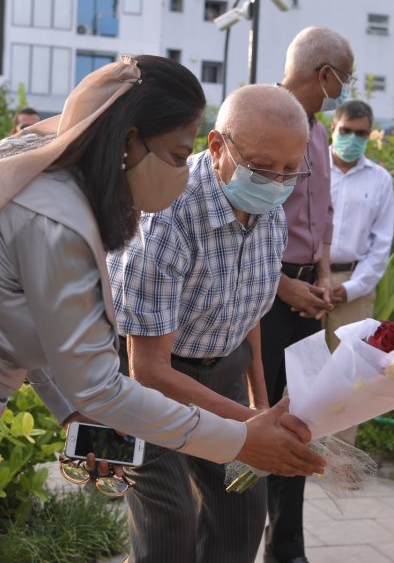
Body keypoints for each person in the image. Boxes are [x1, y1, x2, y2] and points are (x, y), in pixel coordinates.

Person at [0, 56, 326, 563]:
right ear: (129, 141)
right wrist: (240, 437)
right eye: (178, 156)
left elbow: (45, 338)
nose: (184, 175)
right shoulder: (61, 217)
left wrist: (75, 414)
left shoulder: (65, 191)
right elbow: (103, 384)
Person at [108, 84, 310, 563]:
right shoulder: (166, 218)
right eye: (263, 168)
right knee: (169, 524)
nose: (278, 183)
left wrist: (260, 405)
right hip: (150, 378)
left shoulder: (270, 210)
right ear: (217, 147)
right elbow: (149, 369)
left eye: (290, 171)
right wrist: (251, 427)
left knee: (240, 511)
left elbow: (249, 314)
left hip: (222, 365)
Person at [261, 26, 353, 563]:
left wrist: (320, 275)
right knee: (257, 419)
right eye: (345, 77)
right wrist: (285, 286)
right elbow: (235, 226)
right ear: (324, 75)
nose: (345, 87)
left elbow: (323, 214)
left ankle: (287, 549)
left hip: (305, 294)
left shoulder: (318, 130)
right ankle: (234, 539)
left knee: (300, 423)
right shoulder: (264, 119)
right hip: (264, 296)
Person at [323, 99, 394, 446]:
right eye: (346, 131)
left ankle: (338, 461)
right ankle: (291, 455)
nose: (353, 139)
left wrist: (350, 288)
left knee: (349, 375)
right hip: (306, 282)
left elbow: (381, 245)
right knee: (298, 368)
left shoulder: (380, 179)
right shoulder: (312, 167)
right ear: (333, 129)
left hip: (354, 283)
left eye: (361, 133)